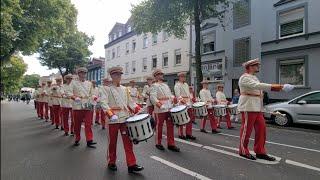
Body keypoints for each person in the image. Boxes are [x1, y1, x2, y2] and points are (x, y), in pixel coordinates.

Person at [238, 58, 294, 161]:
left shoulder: (254, 77)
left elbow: (258, 90)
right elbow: (258, 86)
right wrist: (279, 87)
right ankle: (243, 150)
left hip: (257, 107)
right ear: (250, 67)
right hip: (248, 106)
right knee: (247, 129)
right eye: (256, 65)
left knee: (261, 129)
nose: (258, 67)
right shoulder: (244, 77)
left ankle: (260, 151)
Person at [100, 66, 144, 173]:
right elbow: (103, 103)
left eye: (119, 75)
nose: (118, 76)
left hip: (125, 118)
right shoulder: (106, 89)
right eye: (115, 75)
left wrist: (138, 109)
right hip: (113, 119)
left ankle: (131, 164)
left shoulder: (125, 89)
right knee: (112, 142)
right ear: (111, 76)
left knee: (128, 142)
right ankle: (111, 161)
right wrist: (110, 114)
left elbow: (130, 103)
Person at [150, 69, 180, 152]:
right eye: (159, 74)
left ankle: (171, 144)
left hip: (169, 108)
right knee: (159, 126)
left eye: (161, 74)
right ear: (155, 76)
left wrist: (173, 98)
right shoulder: (154, 85)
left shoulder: (165, 85)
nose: (161, 75)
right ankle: (158, 143)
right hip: (160, 109)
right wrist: (160, 105)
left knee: (170, 126)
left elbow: (170, 95)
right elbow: (153, 98)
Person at [69, 67, 98, 148]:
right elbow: (68, 92)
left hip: (88, 104)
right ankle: (77, 138)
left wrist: (94, 97)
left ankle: (89, 140)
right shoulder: (73, 83)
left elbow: (92, 93)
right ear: (78, 74)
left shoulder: (89, 83)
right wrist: (74, 97)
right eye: (81, 73)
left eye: (84, 73)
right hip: (77, 105)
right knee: (77, 124)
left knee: (88, 124)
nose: (83, 74)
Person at [174, 72, 196, 140]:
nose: (184, 78)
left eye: (184, 77)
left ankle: (189, 133)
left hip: (188, 103)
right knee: (182, 119)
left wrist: (192, 99)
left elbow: (188, 94)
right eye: (182, 77)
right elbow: (178, 95)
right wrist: (182, 101)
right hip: (182, 104)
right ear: (179, 77)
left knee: (189, 119)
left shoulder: (186, 84)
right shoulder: (177, 85)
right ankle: (181, 134)